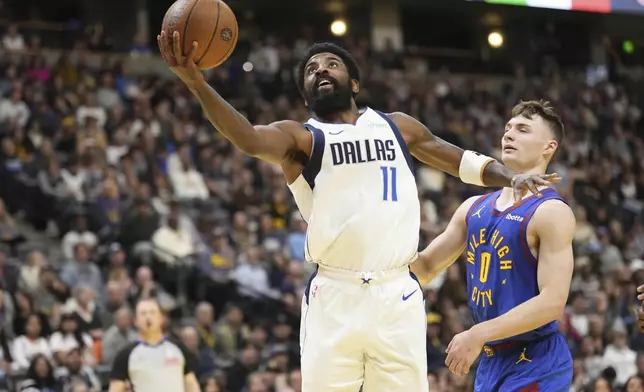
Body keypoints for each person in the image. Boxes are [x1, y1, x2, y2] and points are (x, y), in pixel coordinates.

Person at [157, 30, 557, 391]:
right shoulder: (302, 138)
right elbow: (246, 138)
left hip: (396, 292)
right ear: (306, 93)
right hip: (335, 295)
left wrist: (510, 176)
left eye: (332, 64)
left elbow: (461, 161)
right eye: (311, 70)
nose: (321, 70)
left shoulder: (397, 126)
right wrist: (197, 84)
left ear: (355, 83)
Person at [413, 100, 574, 390]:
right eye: (508, 129)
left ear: (549, 147)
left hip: (536, 358)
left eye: (523, 130)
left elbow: (553, 302)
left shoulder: (550, 211)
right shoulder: (472, 207)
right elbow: (424, 267)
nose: (509, 135)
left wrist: (477, 334)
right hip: (490, 358)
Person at [108, 298, 200, 392]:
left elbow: (191, 383)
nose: (148, 317)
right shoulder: (126, 355)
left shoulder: (178, 349)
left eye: (152, 313)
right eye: (143, 313)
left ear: (161, 318)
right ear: (135, 321)